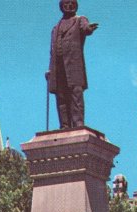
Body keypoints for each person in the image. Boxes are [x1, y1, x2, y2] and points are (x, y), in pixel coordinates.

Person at [48, 0, 98, 128]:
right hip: (58, 68)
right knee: (61, 96)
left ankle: (78, 123)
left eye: (72, 3)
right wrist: (49, 71)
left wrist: (89, 29)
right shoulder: (55, 28)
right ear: (61, 6)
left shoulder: (79, 20)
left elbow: (85, 28)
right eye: (66, 3)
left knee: (76, 94)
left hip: (73, 66)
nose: (69, 5)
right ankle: (64, 125)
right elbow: (52, 52)